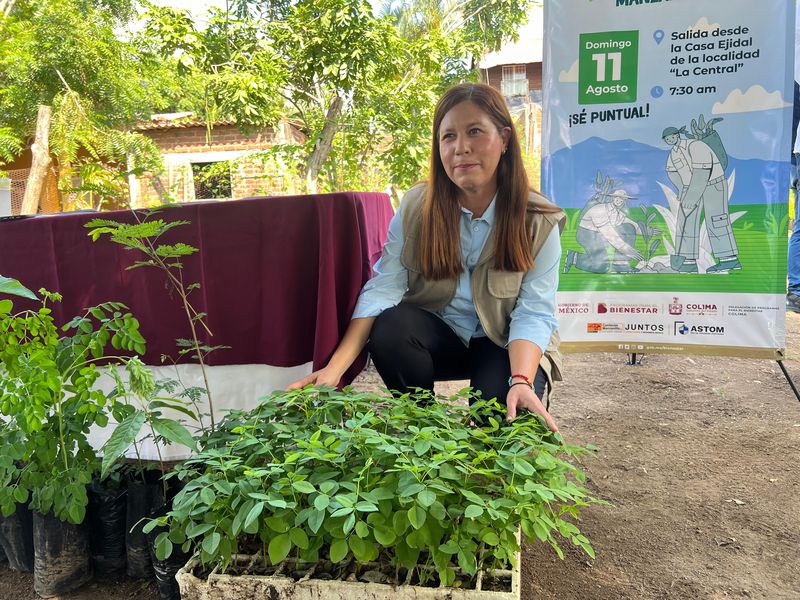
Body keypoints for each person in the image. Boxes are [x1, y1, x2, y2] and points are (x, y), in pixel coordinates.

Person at [288, 82, 564, 432]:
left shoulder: (539, 220)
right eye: (448, 137)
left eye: (475, 131)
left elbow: (534, 312)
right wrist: (334, 369)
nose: (461, 148)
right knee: (390, 327)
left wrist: (522, 379)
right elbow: (383, 288)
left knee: (500, 432)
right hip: (442, 336)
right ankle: (425, 430)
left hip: (504, 342)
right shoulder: (418, 206)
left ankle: (505, 406)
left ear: (505, 139)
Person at [662, 125, 740, 274]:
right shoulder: (674, 153)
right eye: (667, 139)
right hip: (691, 186)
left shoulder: (695, 145)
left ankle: (728, 259)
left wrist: (692, 196)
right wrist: (683, 189)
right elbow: (672, 172)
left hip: (713, 183)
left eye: (672, 136)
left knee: (716, 218)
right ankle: (687, 261)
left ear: (677, 135)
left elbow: (702, 172)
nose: (670, 140)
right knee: (685, 221)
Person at [563, 189, 643, 274]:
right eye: (617, 197)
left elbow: (629, 222)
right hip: (587, 235)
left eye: (622, 199)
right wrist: (625, 248)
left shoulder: (616, 212)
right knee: (602, 267)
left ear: (624, 201)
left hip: (599, 235)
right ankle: (573, 257)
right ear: (613, 198)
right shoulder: (600, 210)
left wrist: (647, 231)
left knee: (628, 227)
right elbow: (609, 233)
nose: (619, 200)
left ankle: (620, 265)